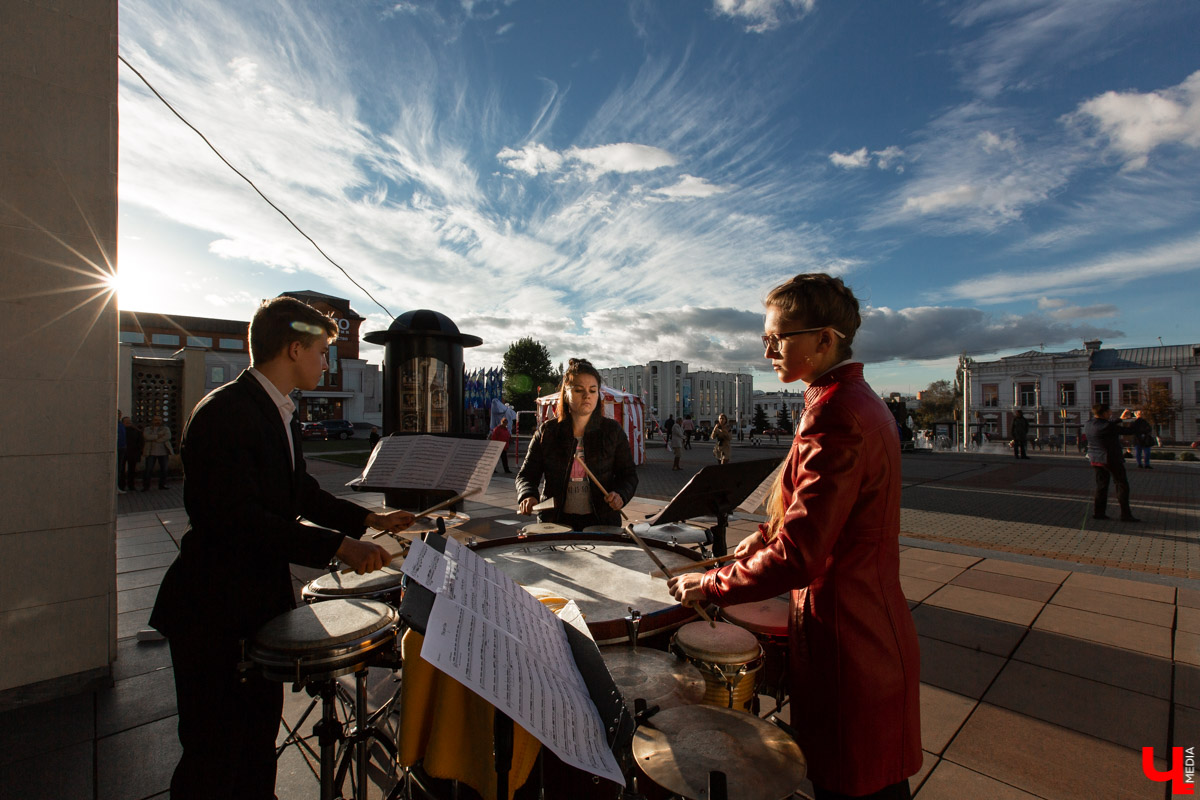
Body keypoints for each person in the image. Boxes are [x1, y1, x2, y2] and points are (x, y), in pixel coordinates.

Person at [149, 296, 413, 800]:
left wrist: (369, 519)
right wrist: (341, 547)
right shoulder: (226, 413)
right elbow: (241, 522)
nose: (326, 363)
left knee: (253, 748)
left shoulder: (279, 412)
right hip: (212, 612)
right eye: (321, 352)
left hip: (252, 603)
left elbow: (301, 494)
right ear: (294, 349)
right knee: (213, 758)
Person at [669, 273, 921, 800]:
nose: (767, 352)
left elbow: (802, 553)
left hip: (846, 643)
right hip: (865, 629)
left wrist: (713, 585)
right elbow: (812, 511)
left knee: (852, 786)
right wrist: (759, 538)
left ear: (824, 339)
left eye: (778, 339)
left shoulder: (836, 415)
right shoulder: (845, 398)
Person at [515, 358, 637, 529]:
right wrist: (527, 494)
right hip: (555, 520)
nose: (587, 395)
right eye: (579, 390)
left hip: (602, 520)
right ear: (566, 394)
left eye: (593, 390)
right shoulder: (548, 432)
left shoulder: (612, 431)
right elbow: (526, 475)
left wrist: (621, 495)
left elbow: (628, 475)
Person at [1083, 403, 1139, 522]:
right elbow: (1129, 430)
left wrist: (1120, 418)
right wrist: (1138, 419)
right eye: (1109, 412)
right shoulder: (1108, 426)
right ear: (1104, 413)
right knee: (1121, 484)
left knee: (1101, 486)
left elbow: (1105, 425)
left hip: (1095, 460)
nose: (1111, 414)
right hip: (1110, 459)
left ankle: (1099, 513)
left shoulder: (1089, 424)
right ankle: (1125, 514)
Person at [142, 414, 173, 490]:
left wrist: (156, 439)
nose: (157, 422)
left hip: (163, 452)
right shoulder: (147, 429)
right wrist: (158, 436)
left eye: (159, 420)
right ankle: (146, 486)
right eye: (155, 420)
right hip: (150, 452)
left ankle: (162, 485)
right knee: (148, 470)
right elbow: (146, 436)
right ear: (152, 421)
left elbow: (168, 436)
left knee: (164, 470)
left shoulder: (165, 429)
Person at [123, 416, 144, 493]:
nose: (129, 423)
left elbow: (140, 441)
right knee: (122, 470)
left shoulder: (136, 431)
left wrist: (138, 450)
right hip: (123, 453)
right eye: (126, 422)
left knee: (132, 471)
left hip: (133, 453)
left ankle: (131, 485)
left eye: (130, 421)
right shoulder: (122, 430)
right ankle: (122, 486)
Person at [116, 410, 127, 493]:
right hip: (117, 448)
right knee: (117, 468)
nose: (119, 415)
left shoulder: (120, 424)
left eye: (120, 414)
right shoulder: (115, 424)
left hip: (122, 448)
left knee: (120, 468)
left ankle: (118, 486)